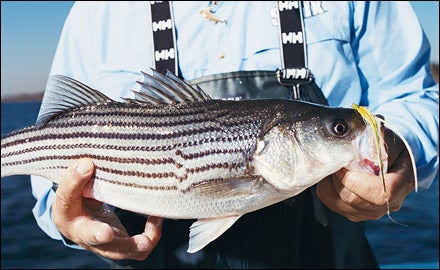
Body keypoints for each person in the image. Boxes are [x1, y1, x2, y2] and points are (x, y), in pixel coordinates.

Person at [30, 1, 439, 268]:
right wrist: (69, 217)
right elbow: (55, 157)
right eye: (339, 129)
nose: (353, 133)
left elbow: (416, 96)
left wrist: (400, 143)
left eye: (339, 128)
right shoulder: (95, 11)